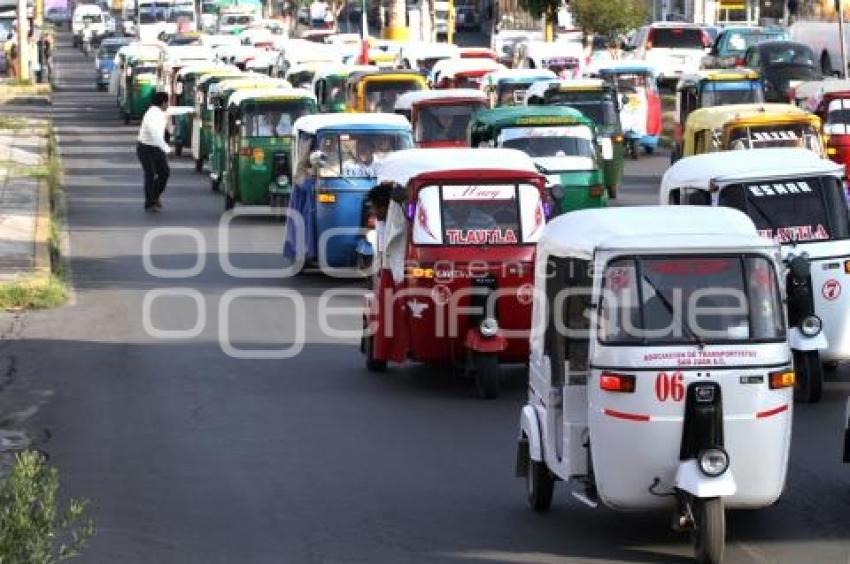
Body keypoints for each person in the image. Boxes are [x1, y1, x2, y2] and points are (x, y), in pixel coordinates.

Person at [136, 92, 172, 212]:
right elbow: (156, 135)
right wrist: (167, 149)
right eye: (168, 102)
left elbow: (174, 110)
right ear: (163, 103)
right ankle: (150, 203)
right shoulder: (151, 116)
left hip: (156, 148)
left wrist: (191, 110)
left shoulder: (162, 110)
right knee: (150, 174)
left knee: (165, 173)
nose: (169, 105)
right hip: (145, 148)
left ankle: (155, 196)